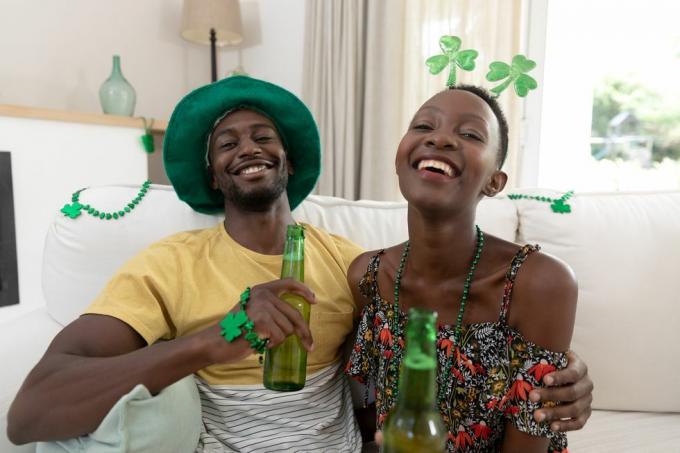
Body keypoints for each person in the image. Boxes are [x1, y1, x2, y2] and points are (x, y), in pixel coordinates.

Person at [7, 76, 591, 452]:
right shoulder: (167, 266)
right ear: (212, 173)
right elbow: (29, 413)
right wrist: (218, 337)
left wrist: (561, 381)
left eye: (264, 136)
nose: (249, 148)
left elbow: (407, 371)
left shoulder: (348, 265)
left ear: (289, 160)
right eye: (227, 143)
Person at [345, 85, 582, 452]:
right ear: (398, 158)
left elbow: (531, 438)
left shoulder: (539, 282)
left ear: (494, 181)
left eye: (470, 134)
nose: (440, 138)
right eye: (424, 127)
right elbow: (369, 411)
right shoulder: (367, 276)